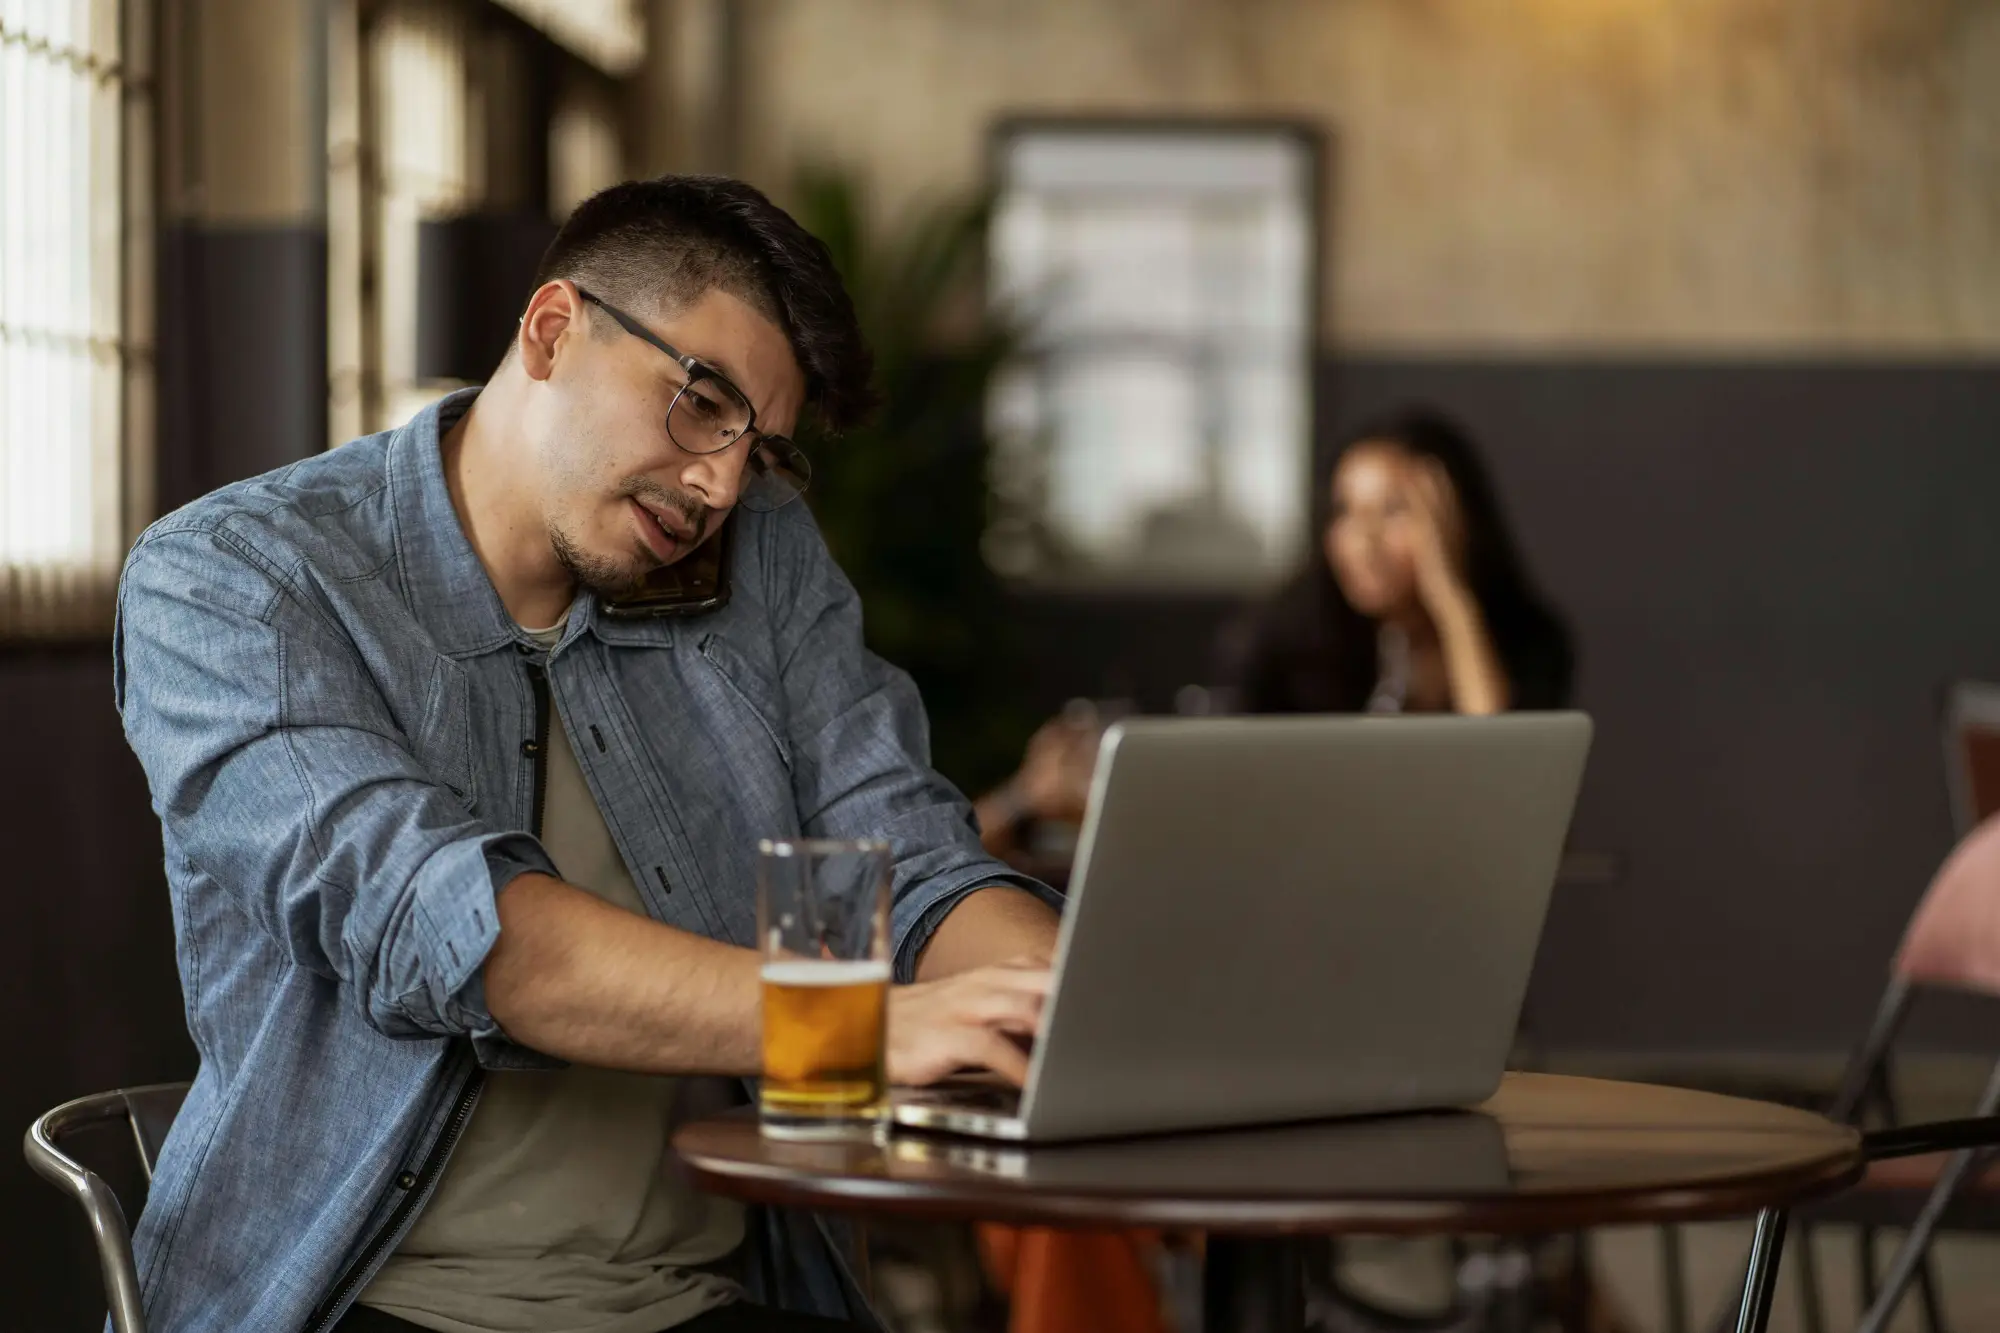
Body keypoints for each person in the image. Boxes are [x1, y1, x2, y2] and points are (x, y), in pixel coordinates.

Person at [114, 176, 1063, 1333]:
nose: (720, 482)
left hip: (705, 1295)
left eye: (759, 448)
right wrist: (861, 1027)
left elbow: (907, 858)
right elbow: (445, 927)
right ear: (553, 329)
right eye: (702, 402)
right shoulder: (238, 577)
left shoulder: (761, 556)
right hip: (366, 1301)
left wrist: (1049, 999)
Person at [1224, 406, 1573, 716]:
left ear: (1456, 523)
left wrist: (1452, 603)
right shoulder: (1280, 646)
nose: (1364, 542)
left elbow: (1507, 762)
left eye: (1394, 511)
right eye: (1345, 512)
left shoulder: (1529, 641)